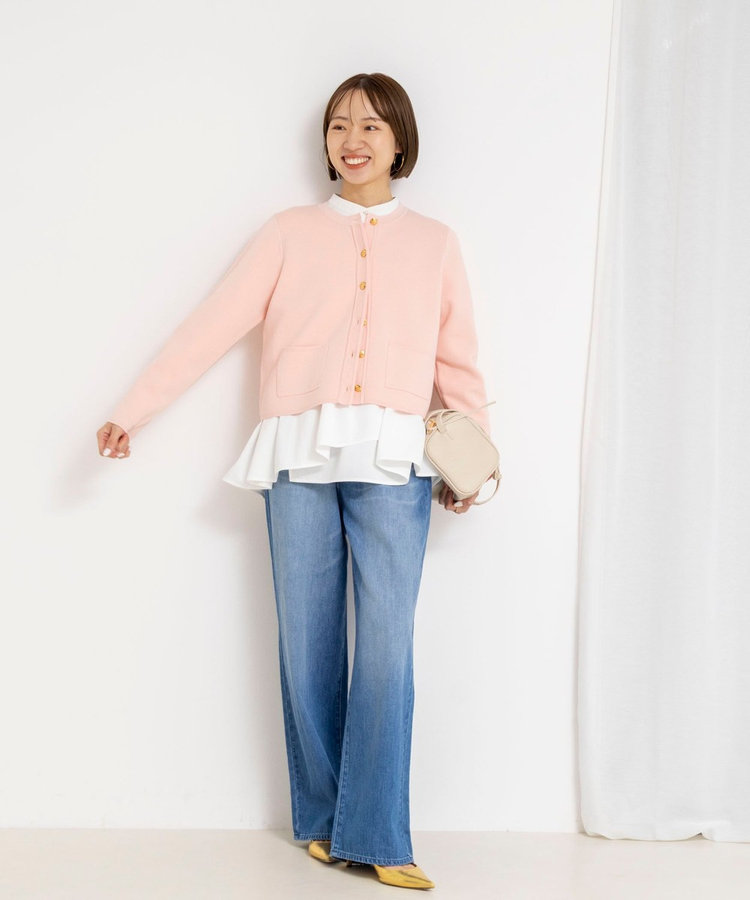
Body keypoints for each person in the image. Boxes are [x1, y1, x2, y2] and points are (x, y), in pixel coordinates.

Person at [97, 72, 494, 891]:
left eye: (372, 126)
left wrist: (474, 461)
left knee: (386, 646)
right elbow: (211, 326)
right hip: (298, 453)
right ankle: (321, 821)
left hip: (394, 459)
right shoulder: (287, 233)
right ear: (325, 142)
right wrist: (134, 411)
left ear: (401, 141)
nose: (354, 140)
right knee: (307, 642)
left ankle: (378, 834)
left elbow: (458, 362)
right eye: (340, 125)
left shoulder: (435, 243)